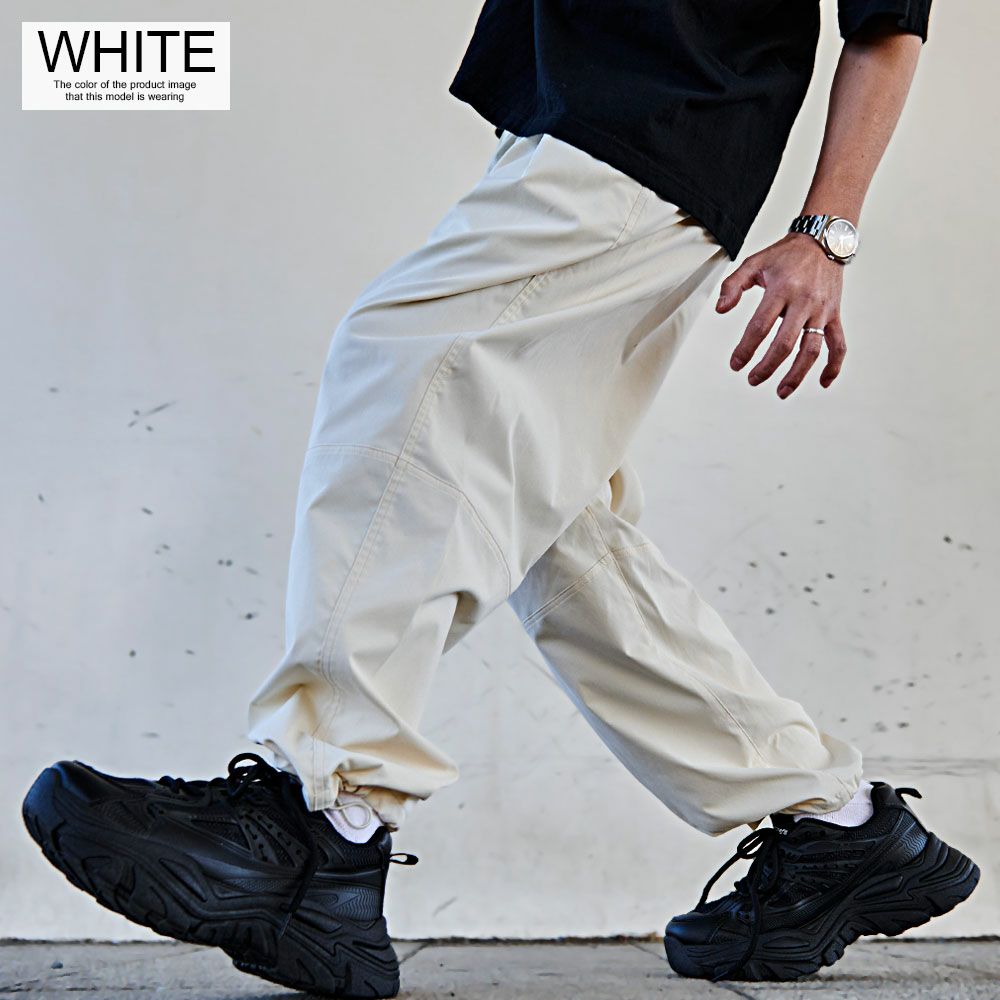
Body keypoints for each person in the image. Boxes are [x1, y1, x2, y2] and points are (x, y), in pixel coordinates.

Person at [22, 1, 979, 996]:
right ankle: (838, 826)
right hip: (594, 133)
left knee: (402, 364)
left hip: (646, 129)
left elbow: (886, 20)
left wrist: (825, 234)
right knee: (557, 528)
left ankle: (321, 816)